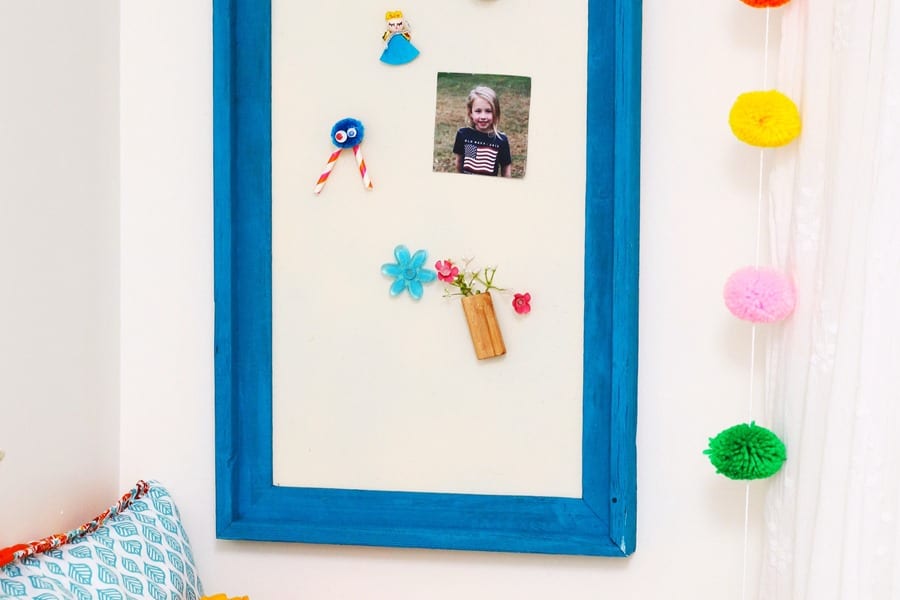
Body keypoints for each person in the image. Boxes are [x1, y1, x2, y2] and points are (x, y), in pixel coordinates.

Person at [452, 86, 512, 177]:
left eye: (488, 111)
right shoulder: (462, 134)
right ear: (470, 113)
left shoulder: (501, 140)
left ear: (495, 112)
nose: (483, 116)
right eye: (478, 111)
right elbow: (459, 162)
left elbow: (506, 168)